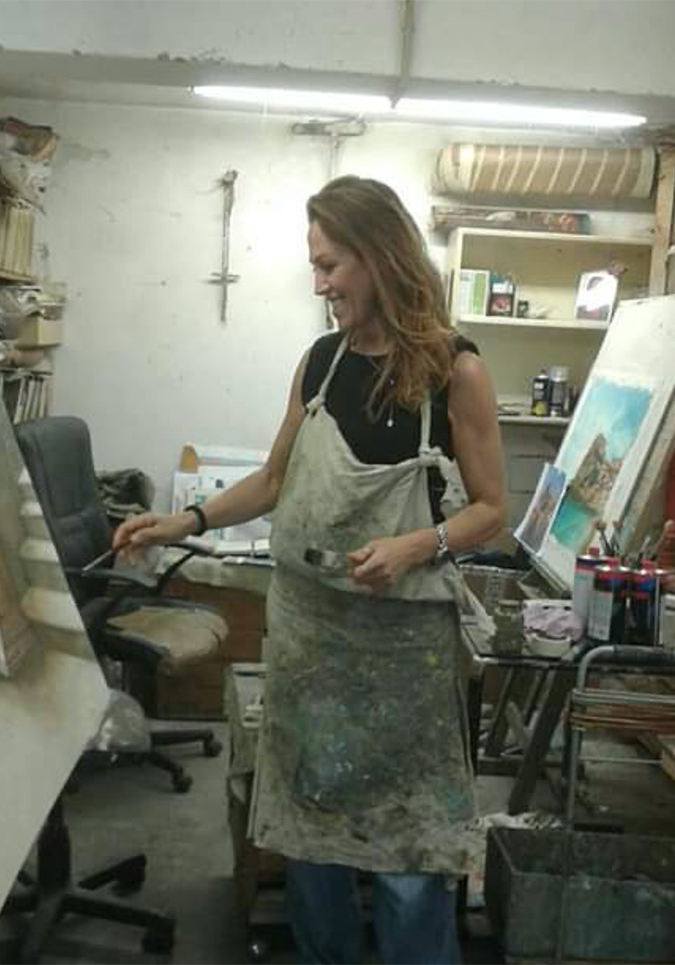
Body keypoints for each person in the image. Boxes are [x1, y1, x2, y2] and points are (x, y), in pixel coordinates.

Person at [114, 175, 506, 964]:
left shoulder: (453, 370)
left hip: (404, 660)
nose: (320, 284)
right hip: (313, 646)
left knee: (407, 857)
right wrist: (187, 520)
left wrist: (415, 544)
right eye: (315, 267)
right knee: (313, 842)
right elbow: (273, 480)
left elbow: (493, 509)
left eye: (330, 265)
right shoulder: (322, 362)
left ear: (380, 256)